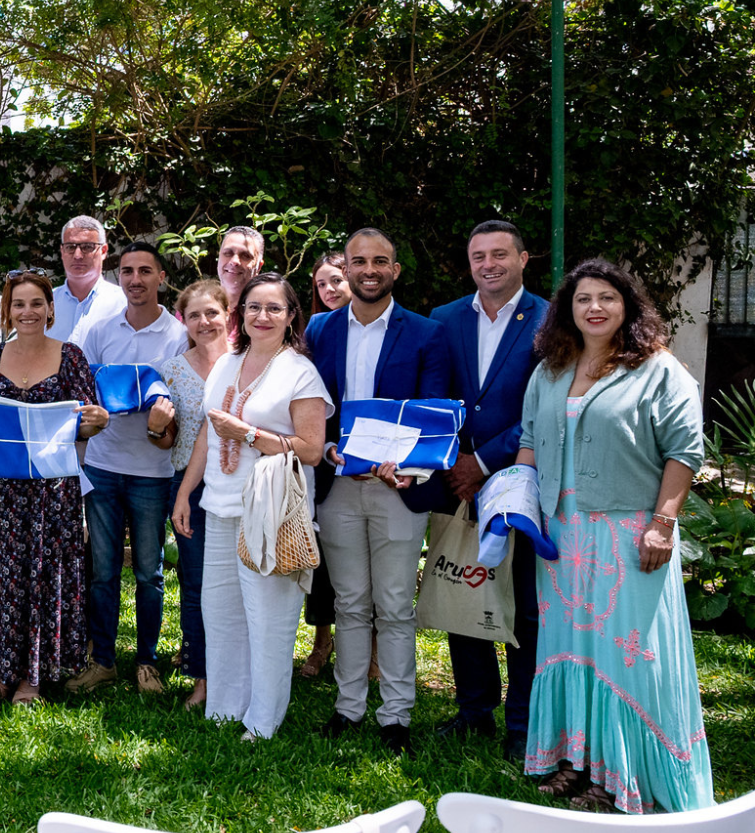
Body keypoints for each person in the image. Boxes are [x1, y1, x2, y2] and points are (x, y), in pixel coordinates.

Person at [515, 260, 711, 813]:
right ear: (568, 310)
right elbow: (529, 439)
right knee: (572, 649)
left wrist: (663, 524)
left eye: (606, 297)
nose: (594, 307)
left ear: (627, 306)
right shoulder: (551, 369)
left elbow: (683, 452)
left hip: (630, 532)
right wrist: (519, 505)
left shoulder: (659, 369)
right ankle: (576, 762)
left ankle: (625, 775)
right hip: (561, 534)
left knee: (627, 657)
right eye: (583, 299)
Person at [303, 228, 453, 755]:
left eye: (380, 261)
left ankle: (396, 717)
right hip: (339, 484)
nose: (369, 270)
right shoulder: (320, 329)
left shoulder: (426, 333)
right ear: (344, 267)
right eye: (358, 261)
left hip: (396, 487)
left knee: (393, 605)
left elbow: (432, 409)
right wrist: (324, 450)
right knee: (349, 603)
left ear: (395, 270)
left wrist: (403, 463)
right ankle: (348, 709)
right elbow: (312, 406)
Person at [170, 272, 330, 740]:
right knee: (220, 614)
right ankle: (224, 707)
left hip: (270, 511)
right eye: (254, 307)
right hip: (218, 506)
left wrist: (251, 435)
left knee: (267, 619)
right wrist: (185, 493)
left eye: (274, 308)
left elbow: (312, 449)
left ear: (291, 316)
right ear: (242, 314)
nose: (263, 316)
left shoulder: (299, 371)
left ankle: (262, 721)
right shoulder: (226, 363)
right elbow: (205, 430)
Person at [428, 220, 547, 763]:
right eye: (479, 256)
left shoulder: (550, 320)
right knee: (466, 591)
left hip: (522, 478)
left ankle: (521, 722)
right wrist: (456, 461)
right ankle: (474, 709)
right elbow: (435, 398)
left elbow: (544, 411)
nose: (489, 265)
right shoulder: (445, 318)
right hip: (458, 481)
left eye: (500, 254)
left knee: (525, 608)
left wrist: (484, 459)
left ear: (524, 259)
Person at [0, 270, 100, 706]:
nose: (28, 312)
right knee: (2, 578)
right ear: (7, 311)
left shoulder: (72, 357)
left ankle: (33, 678)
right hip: (0, 491)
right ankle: (2, 671)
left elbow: (85, 423)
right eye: (19, 304)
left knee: (42, 576)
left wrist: (96, 421)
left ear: (50, 309)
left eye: (36, 304)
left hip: (51, 492)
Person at [72, 241, 187, 694]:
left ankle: (146, 662)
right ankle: (102, 660)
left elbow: (181, 400)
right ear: (118, 277)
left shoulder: (177, 335)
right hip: (102, 464)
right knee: (101, 569)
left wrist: (163, 412)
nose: (135, 279)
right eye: (126, 271)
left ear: (161, 277)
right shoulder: (99, 329)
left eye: (145, 271)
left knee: (149, 572)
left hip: (152, 470)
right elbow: (80, 388)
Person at [154, 278, 230, 709]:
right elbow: (169, 440)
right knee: (197, 585)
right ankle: (201, 678)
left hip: (241, 483)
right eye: (195, 315)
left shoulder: (245, 363)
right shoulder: (171, 370)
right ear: (183, 321)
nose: (204, 322)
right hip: (188, 486)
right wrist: (157, 428)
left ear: (226, 315)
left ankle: (239, 672)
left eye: (212, 313)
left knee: (241, 584)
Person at [300, 248, 349, 677]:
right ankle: (321, 642)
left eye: (337, 279)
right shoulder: (315, 330)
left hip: (373, 457)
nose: (330, 289)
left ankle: (368, 652)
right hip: (322, 458)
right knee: (324, 560)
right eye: (321, 284)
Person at [54, 215, 123, 348]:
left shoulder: (123, 304)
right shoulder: (44, 304)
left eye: (87, 247)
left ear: (103, 251)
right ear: (62, 251)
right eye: (70, 247)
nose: (78, 255)